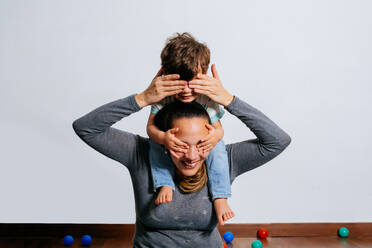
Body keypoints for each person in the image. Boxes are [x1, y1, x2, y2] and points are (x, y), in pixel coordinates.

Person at [72, 64, 291, 247]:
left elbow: (277, 141)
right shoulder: (141, 154)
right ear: (165, 139)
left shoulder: (223, 159)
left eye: (201, 144)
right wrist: (142, 99)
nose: (192, 155)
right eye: (181, 145)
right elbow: (86, 128)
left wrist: (228, 100)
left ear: (212, 138)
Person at [146, 32, 233, 226]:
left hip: (202, 143)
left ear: (204, 76)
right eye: (179, 84)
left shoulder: (206, 96)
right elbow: (150, 128)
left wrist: (214, 137)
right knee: (155, 144)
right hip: (171, 142)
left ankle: (220, 196)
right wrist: (162, 137)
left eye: (192, 83)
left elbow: (219, 130)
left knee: (219, 149)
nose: (186, 91)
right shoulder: (163, 95)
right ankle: (165, 183)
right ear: (166, 76)